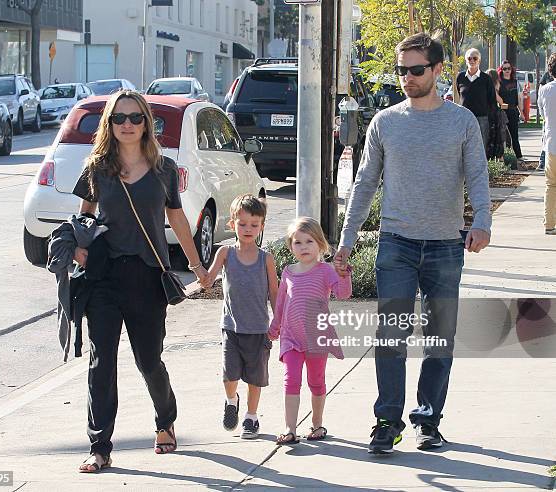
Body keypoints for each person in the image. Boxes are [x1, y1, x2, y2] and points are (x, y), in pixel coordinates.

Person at [334, 33, 491, 454]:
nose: (406, 77)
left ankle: (428, 420)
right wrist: (346, 240)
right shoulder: (384, 122)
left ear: (438, 70)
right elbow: (364, 183)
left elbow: (477, 174)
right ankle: (387, 421)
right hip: (396, 243)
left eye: (416, 70)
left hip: (444, 244)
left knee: (439, 339)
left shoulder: (461, 122)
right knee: (390, 338)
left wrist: (482, 223)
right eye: (401, 70)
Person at [72, 90, 209, 472]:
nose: (127, 125)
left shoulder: (163, 168)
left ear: (147, 122)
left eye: (135, 118)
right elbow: (84, 216)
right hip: (103, 276)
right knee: (102, 362)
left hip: (148, 276)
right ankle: (99, 446)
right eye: (119, 119)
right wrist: (78, 248)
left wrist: (197, 267)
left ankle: (165, 420)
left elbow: (178, 219)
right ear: (110, 124)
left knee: (149, 359)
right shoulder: (97, 168)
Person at [269, 217, 351, 445]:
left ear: (320, 244)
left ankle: (317, 424)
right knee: (291, 380)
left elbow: (342, 294)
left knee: (316, 382)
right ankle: (290, 429)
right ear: (290, 246)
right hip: (291, 336)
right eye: (298, 242)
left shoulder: (326, 270)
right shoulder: (288, 271)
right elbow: (282, 302)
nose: (304, 247)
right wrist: (275, 325)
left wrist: (344, 275)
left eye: (309, 241)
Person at [206, 194, 279, 439]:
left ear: (262, 226)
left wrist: (278, 320)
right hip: (231, 327)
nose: (248, 229)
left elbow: (274, 292)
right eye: (242, 224)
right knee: (230, 374)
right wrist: (197, 270)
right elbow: (208, 280)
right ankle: (231, 401)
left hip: (259, 328)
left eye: (254, 225)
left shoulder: (266, 259)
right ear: (232, 224)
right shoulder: (225, 253)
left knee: (255, 377)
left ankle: (251, 417)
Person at [456, 48, 497, 153]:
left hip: (481, 119)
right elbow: (459, 95)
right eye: (469, 58)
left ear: (479, 60)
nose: (472, 60)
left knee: (480, 149)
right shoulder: (460, 77)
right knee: (463, 148)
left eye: (475, 58)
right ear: (466, 60)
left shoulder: (486, 79)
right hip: (463, 119)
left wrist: (492, 120)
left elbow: (492, 100)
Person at [537, 53, 556, 235]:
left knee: (551, 185)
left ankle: (549, 223)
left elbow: (543, 115)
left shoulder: (544, 90)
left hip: (551, 144)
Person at [498, 60, 524, 164]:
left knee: (514, 136)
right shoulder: (499, 83)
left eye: (509, 68)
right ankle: (501, 157)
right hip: (503, 112)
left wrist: (521, 112)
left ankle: (519, 157)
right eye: (504, 69)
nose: (507, 70)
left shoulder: (516, 82)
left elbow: (519, 98)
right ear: (501, 70)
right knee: (501, 136)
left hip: (513, 111)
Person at [486, 68, 508, 160]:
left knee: (492, 137)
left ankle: (494, 157)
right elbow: (500, 100)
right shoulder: (493, 87)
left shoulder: (487, 86)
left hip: (488, 112)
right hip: (493, 113)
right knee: (498, 136)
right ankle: (499, 157)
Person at [538, 70, 554, 170]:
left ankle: (543, 161)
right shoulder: (546, 76)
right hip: (548, 119)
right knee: (546, 139)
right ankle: (542, 161)